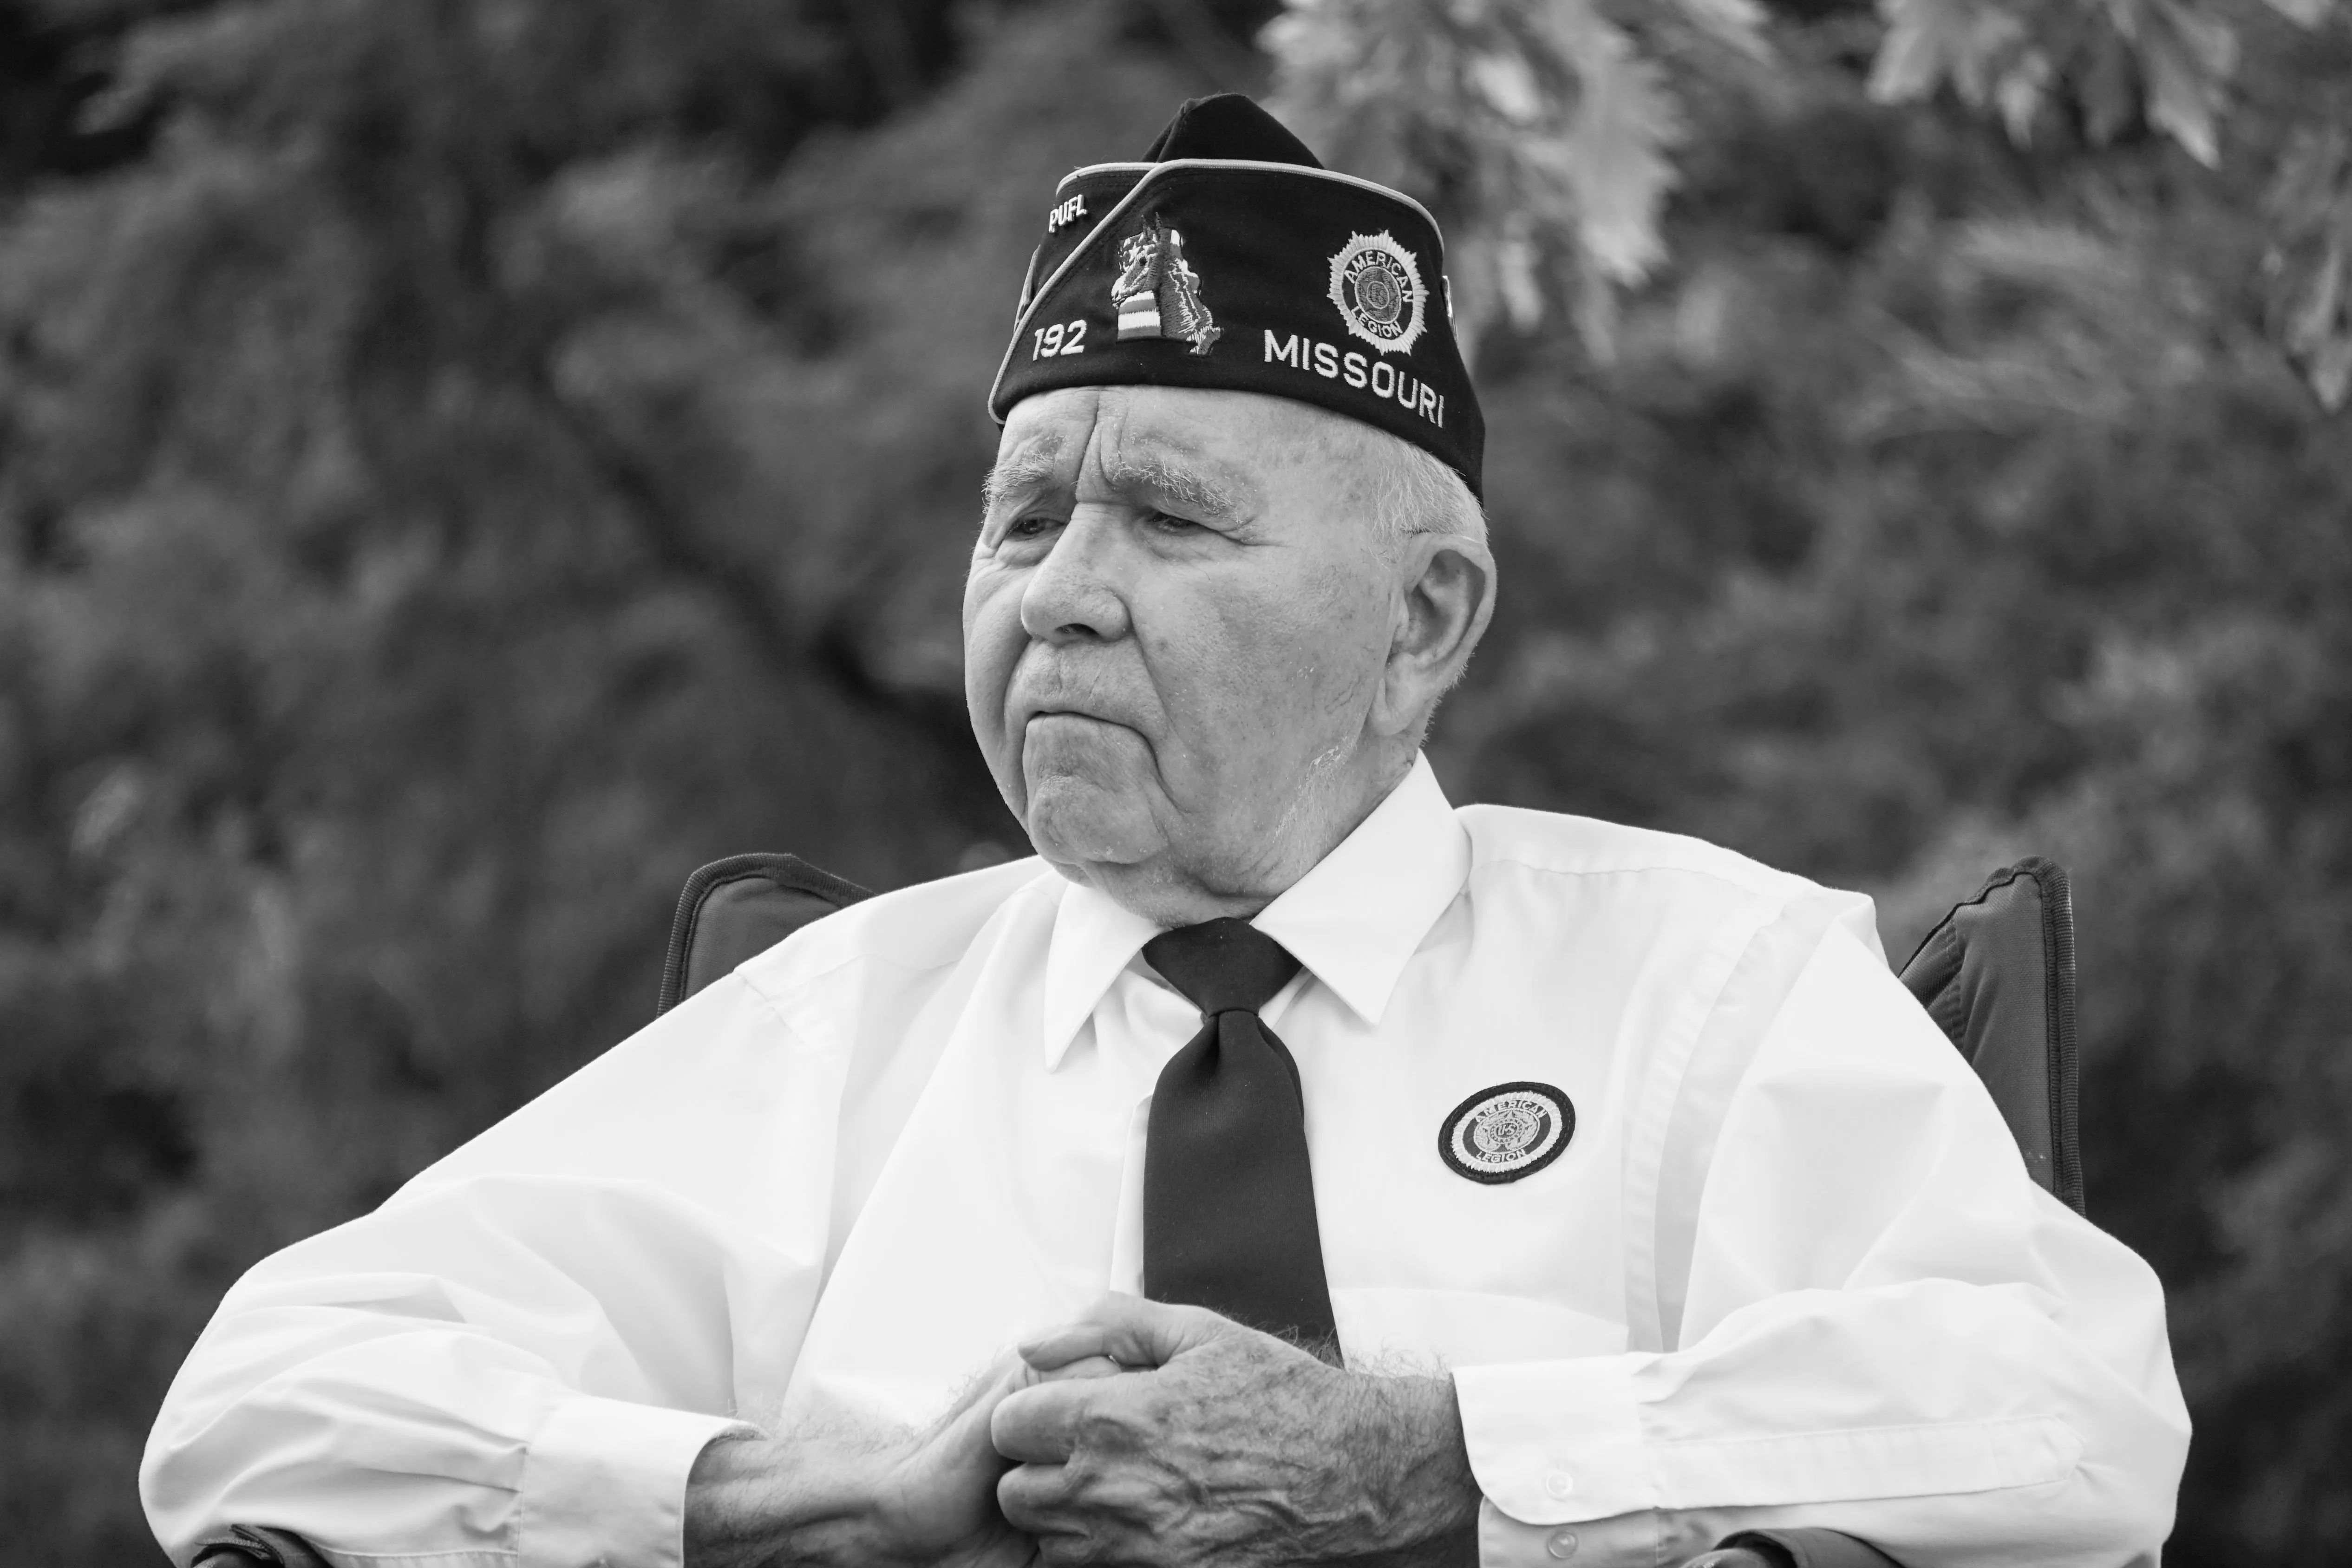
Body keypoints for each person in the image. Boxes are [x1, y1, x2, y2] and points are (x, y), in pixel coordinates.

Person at [142, 94, 2187, 1568]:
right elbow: (268, 1407)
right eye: (1025, 514)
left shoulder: (1703, 983)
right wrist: (791, 1501)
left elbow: (2072, 1405)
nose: (1059, 591)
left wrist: (1438, 1458)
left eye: (1174, 520)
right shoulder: (838, 1030)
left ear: (1423, 620)